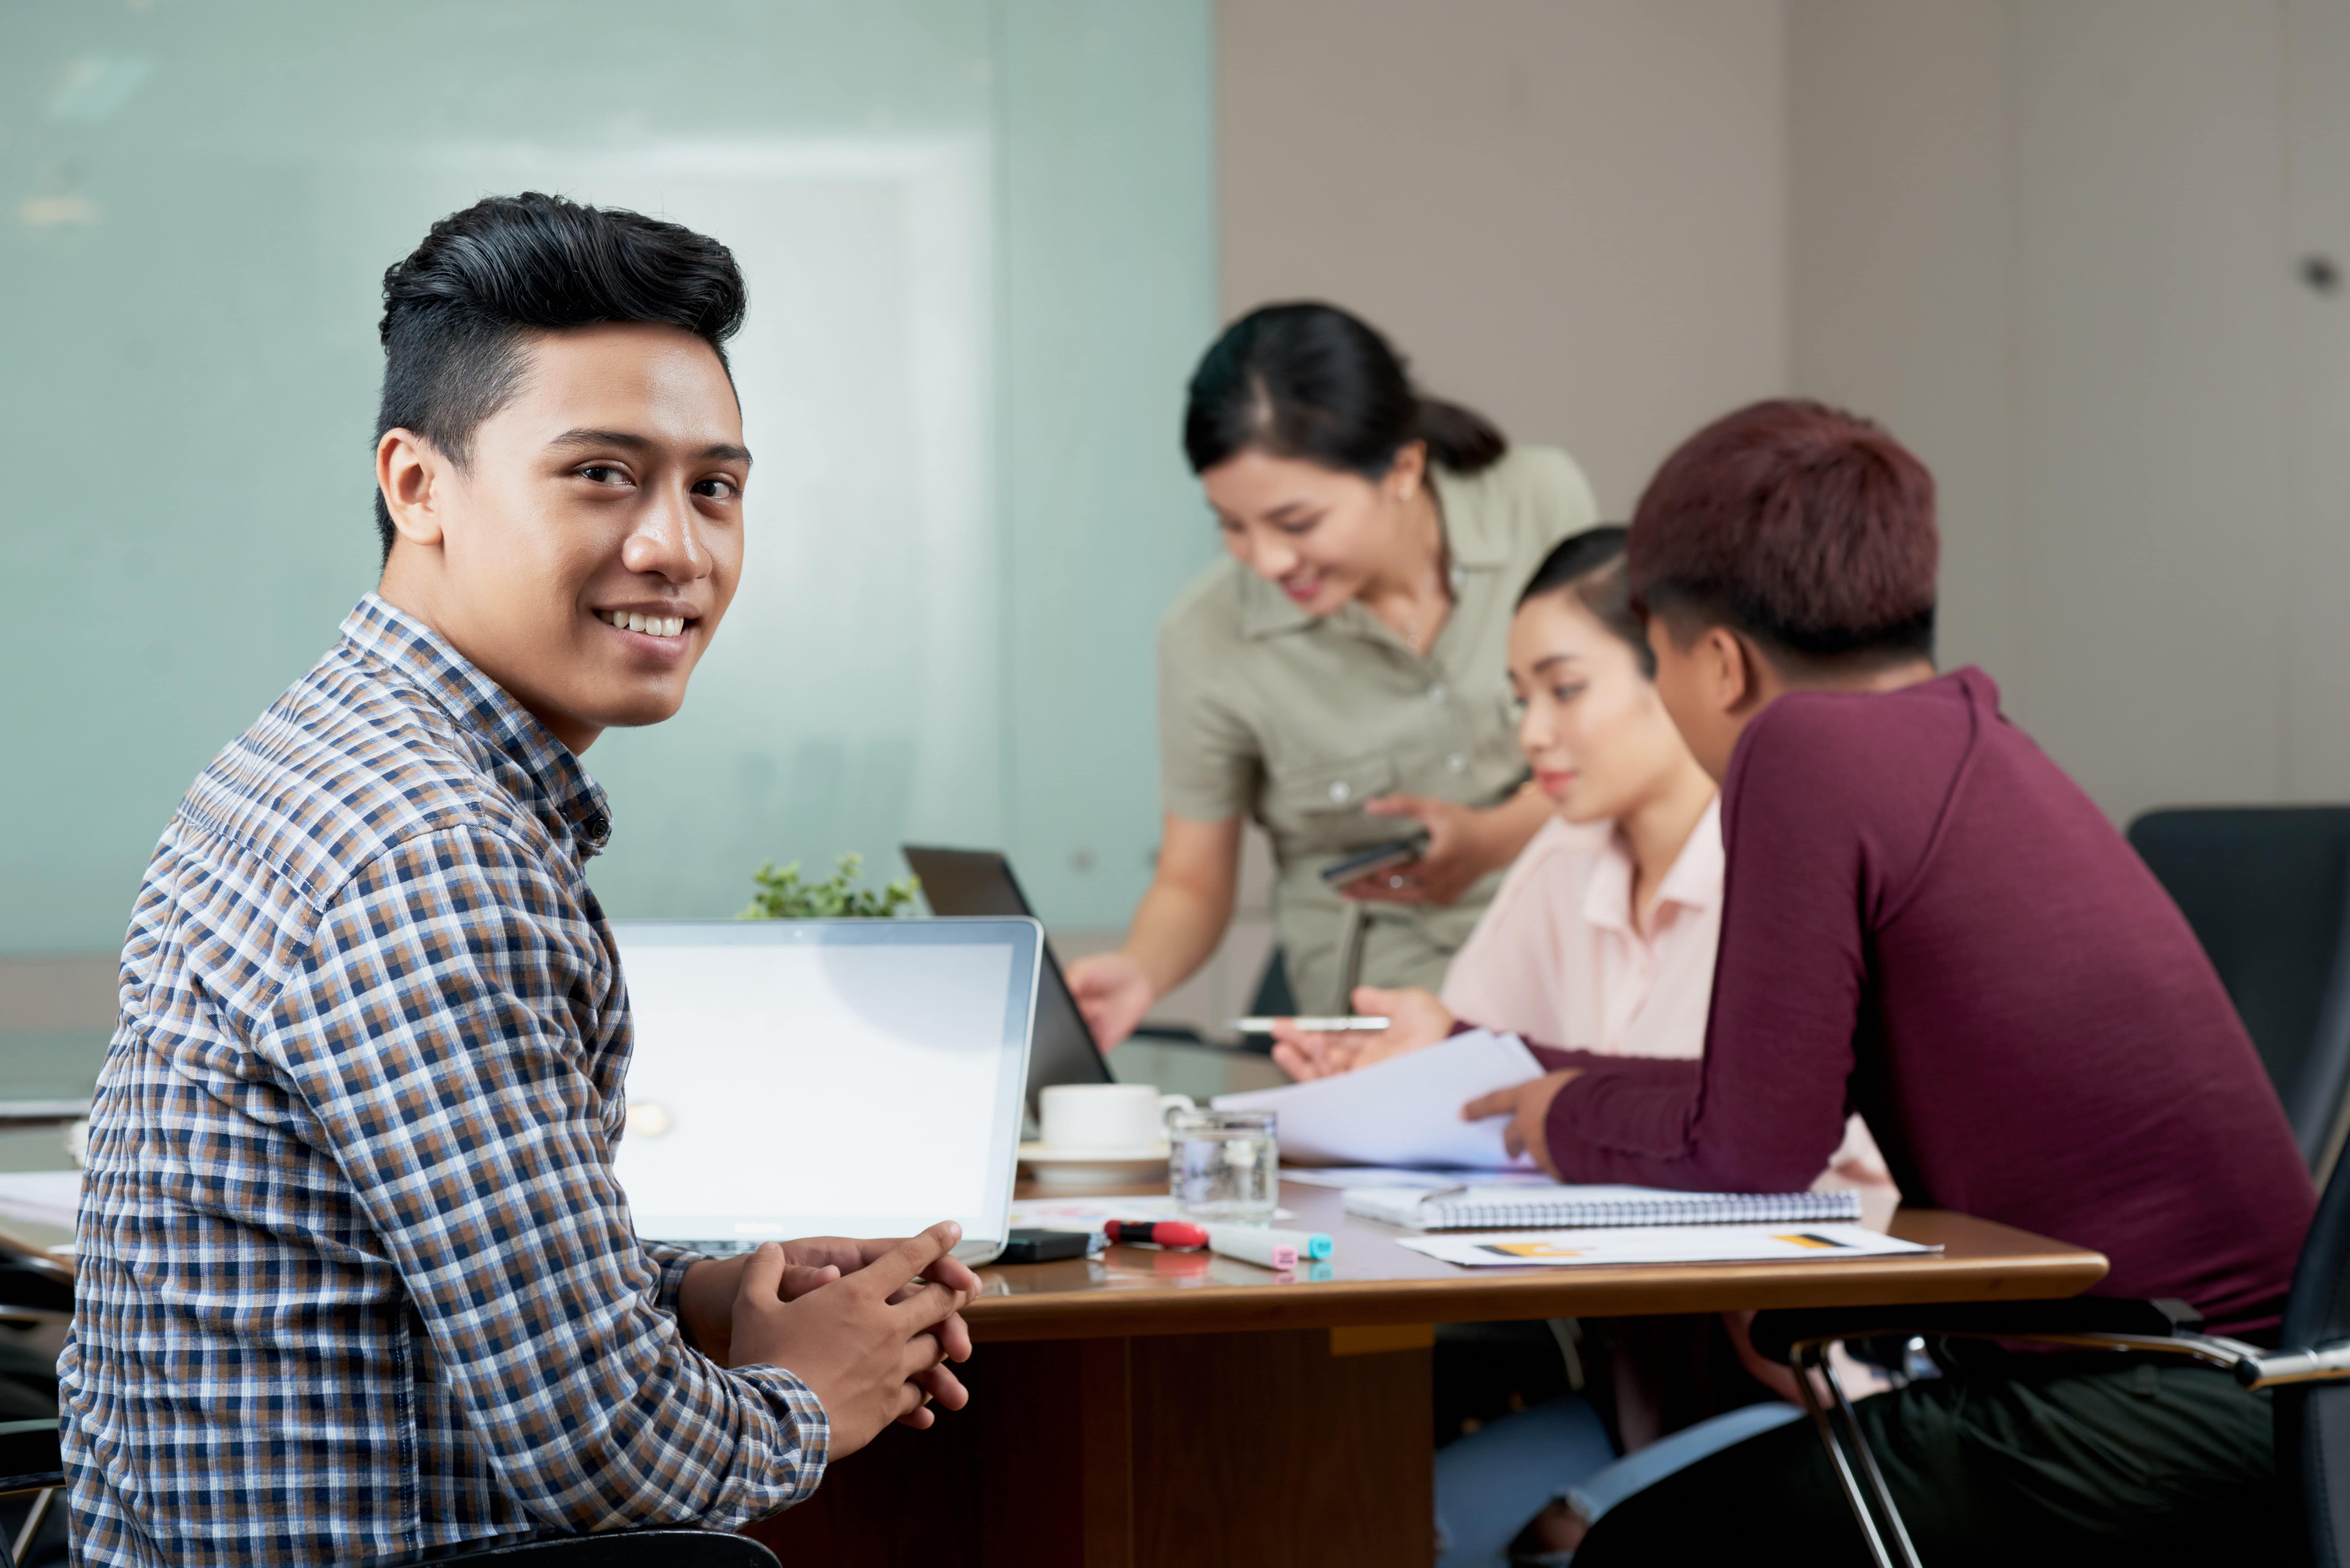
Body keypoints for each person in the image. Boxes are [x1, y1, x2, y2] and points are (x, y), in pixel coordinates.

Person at [59, 194, 980, 1565]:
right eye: (602, 474)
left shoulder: (308, 756)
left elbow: (397, 1277)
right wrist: (814, 1395)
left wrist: (708, 1292)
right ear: (416, 485)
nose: (677, 547)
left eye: (714, 487)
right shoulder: (431, 852)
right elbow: (610, 1455)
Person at [1365, 398, 2318, 1561]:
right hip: (2253, 1390)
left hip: (2154, 1398)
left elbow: (1749, 1150)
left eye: (1655, 660)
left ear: (1719, 662)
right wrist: (1514, 1070)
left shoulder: (1802, 747)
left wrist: (1560, 1114)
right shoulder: (1960, 735)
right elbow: (1759, 1096)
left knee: (1633, 1549)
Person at [1273, 525, 1884, 1566]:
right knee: (1364, 1523)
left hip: (1810, 1370)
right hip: (1638, 1379)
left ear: (1682, 674)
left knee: (1563, 1538)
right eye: (1520, 699)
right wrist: (1407, 1067)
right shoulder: (1567, 854)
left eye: (1564, 690)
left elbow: (1821, 1159)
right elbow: (1479, 1072)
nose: (1533, 734)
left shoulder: (1787, 861)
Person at [1065, 303, 1600, 1042]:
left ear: (1402, 470)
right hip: (1376, 1018)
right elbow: (1191, 879)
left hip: (1576, 974)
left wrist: (1493, 836)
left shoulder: (1540, 500)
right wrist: (1139, 971)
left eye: (1297, 523)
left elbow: (1637, 746)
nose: (1267, 560)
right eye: (1232, 524)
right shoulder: (1207, 635)